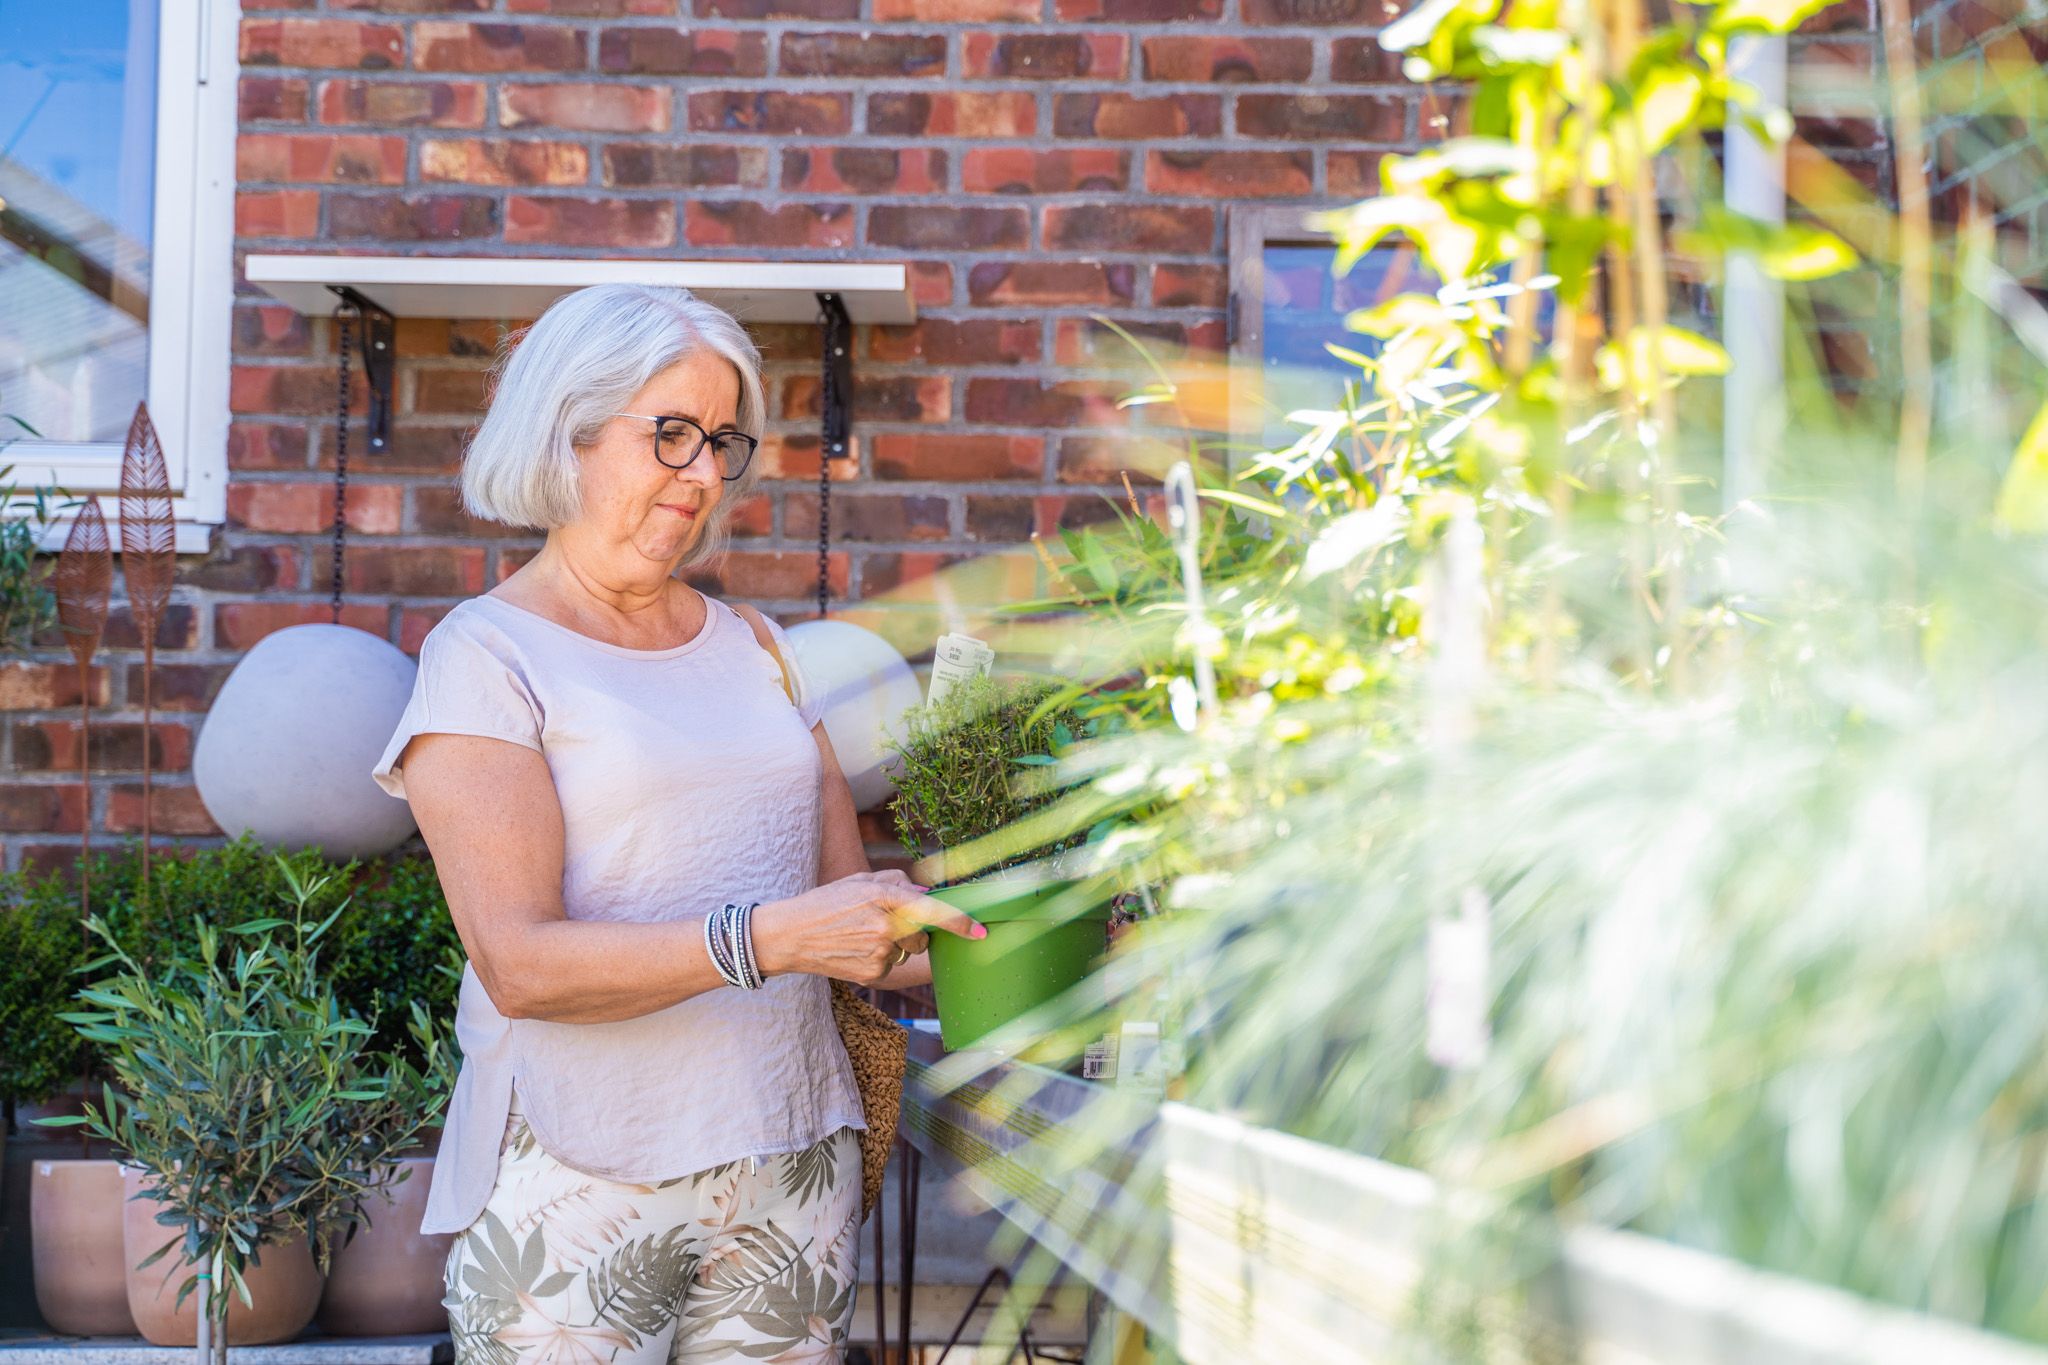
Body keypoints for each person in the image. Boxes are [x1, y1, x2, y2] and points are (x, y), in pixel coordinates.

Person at [371, 283, 980, 1365]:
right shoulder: (486, 657)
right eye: (671, 436)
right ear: (571, 434)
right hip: (585, 1169)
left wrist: (1050, 924)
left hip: (792, 1161)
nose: (704, 474)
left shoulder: (752, 645)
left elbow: (855, 923)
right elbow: (520, 965)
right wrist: (771, 939)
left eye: (721, 440)